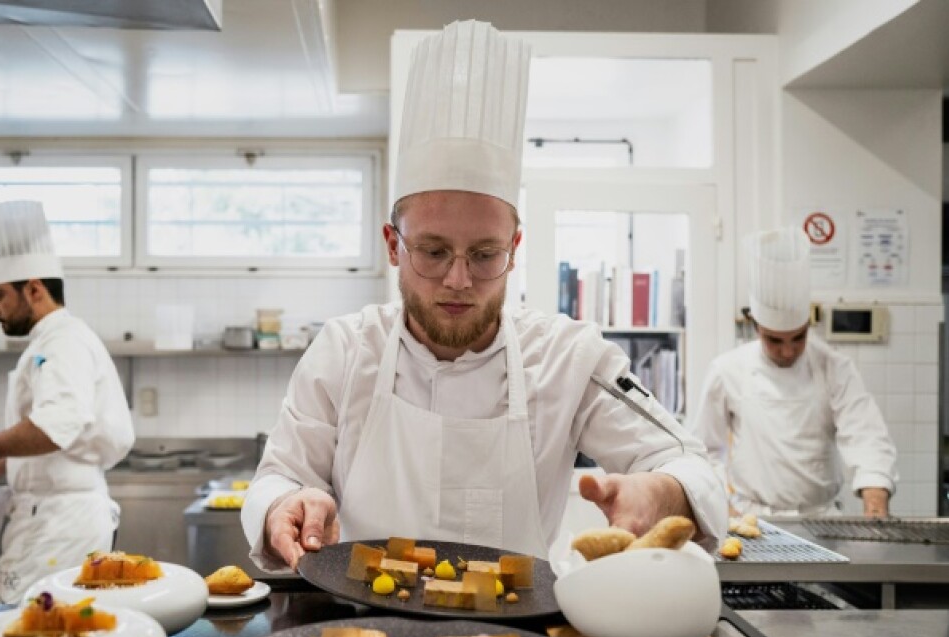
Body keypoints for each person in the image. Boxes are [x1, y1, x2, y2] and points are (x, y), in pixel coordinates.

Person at [241, 20, 726, 570]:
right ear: (393, 246)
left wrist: (662, 492)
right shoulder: (345, 352)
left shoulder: (569, 358)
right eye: (433, 250)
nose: (458, 280)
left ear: (515, 248)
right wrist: (286, 501)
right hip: (361, 632)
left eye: (484, 254)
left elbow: (694, 464)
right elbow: (277, 474)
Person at [0, 200, 135, 601]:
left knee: (38, 635)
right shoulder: (52, 342)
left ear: (33, 289)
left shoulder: (64, 343)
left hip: (59, 525)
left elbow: (54, 429)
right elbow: (55, 443)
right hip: (50, 518)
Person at [689, 227, 898, 518]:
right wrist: (722, 505)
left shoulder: (834, 366)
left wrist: (875, 500)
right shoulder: (727, 371)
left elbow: (865, 435)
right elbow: (704, 450)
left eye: (798, 338)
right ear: (756, 327)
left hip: (822, 517)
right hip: (752, 517)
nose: (788, 351)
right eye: (774, 340)